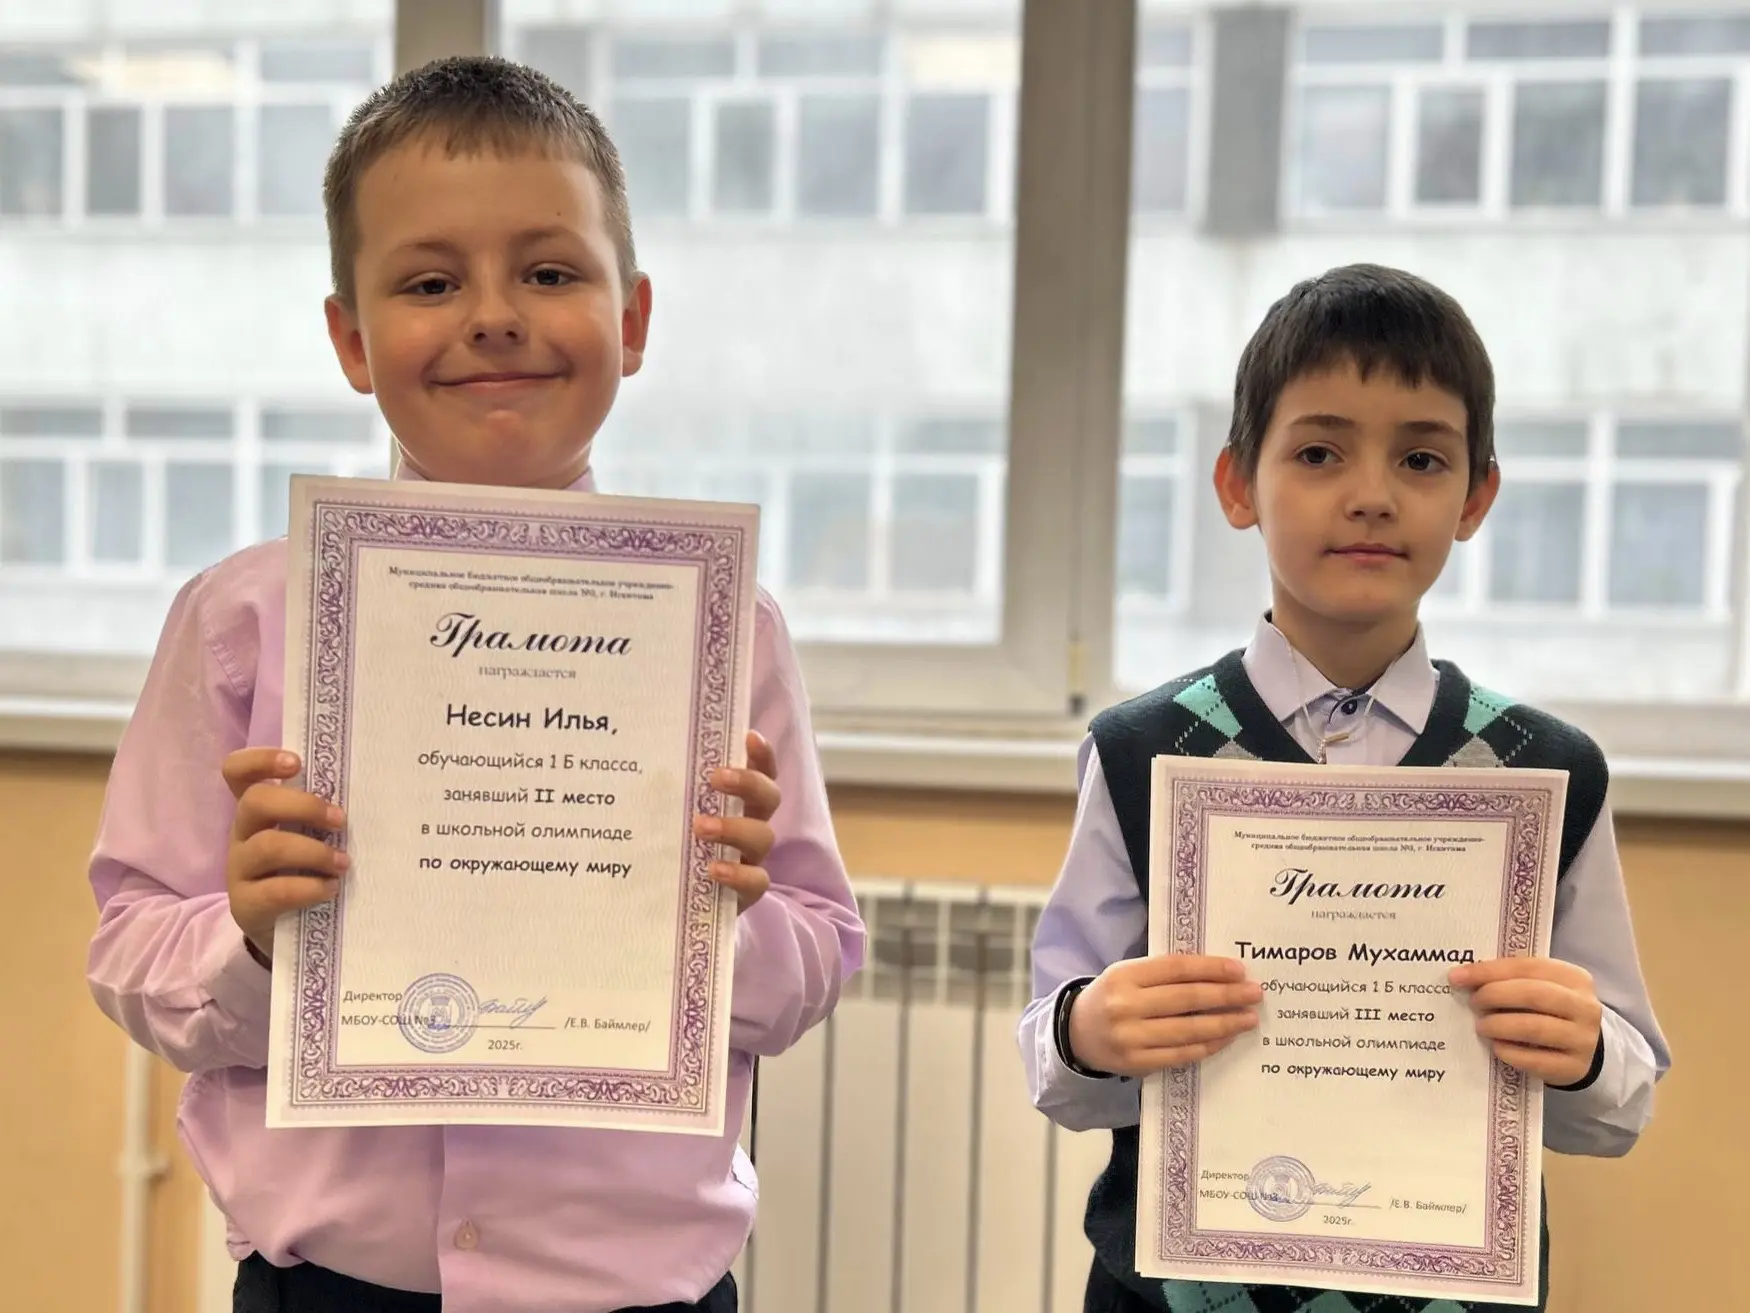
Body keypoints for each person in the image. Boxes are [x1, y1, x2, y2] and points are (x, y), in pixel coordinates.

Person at [86, 56, 865, 1313]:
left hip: (642, 1294)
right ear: (352, 339)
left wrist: (730, 913)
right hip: (331, 1289)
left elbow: (817, 957)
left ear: (632, 320)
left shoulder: (728, 632)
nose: (494, 316)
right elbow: (129, 951)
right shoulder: (243, 623)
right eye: (430, 282)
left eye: (549, 273)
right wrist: (253, 936)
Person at [1018, 264, 1668, 1313]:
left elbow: (1617, 1106)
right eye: (1319, 452)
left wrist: (1585, 1051)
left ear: (1475, 497)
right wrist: (1090, 1029)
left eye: (1421, 457)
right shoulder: (1142, 752)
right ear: (1238, 484)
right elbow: (1054, 1062)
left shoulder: (1547, 771)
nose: (1371, 493)